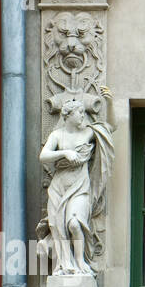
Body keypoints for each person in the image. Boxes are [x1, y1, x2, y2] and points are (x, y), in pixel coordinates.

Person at [37, 99, 113, 277]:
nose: (83, 116)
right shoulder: (57, 135)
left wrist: (109, 104)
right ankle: (65, 264)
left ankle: (80, 262)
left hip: (80, 184)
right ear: (68, 115)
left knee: (74, 223)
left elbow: (111, 127)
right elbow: (44, 156)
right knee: (58, 226)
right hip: (59, 185)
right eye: (80, 112)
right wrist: (65, 152)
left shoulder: (88, 133)